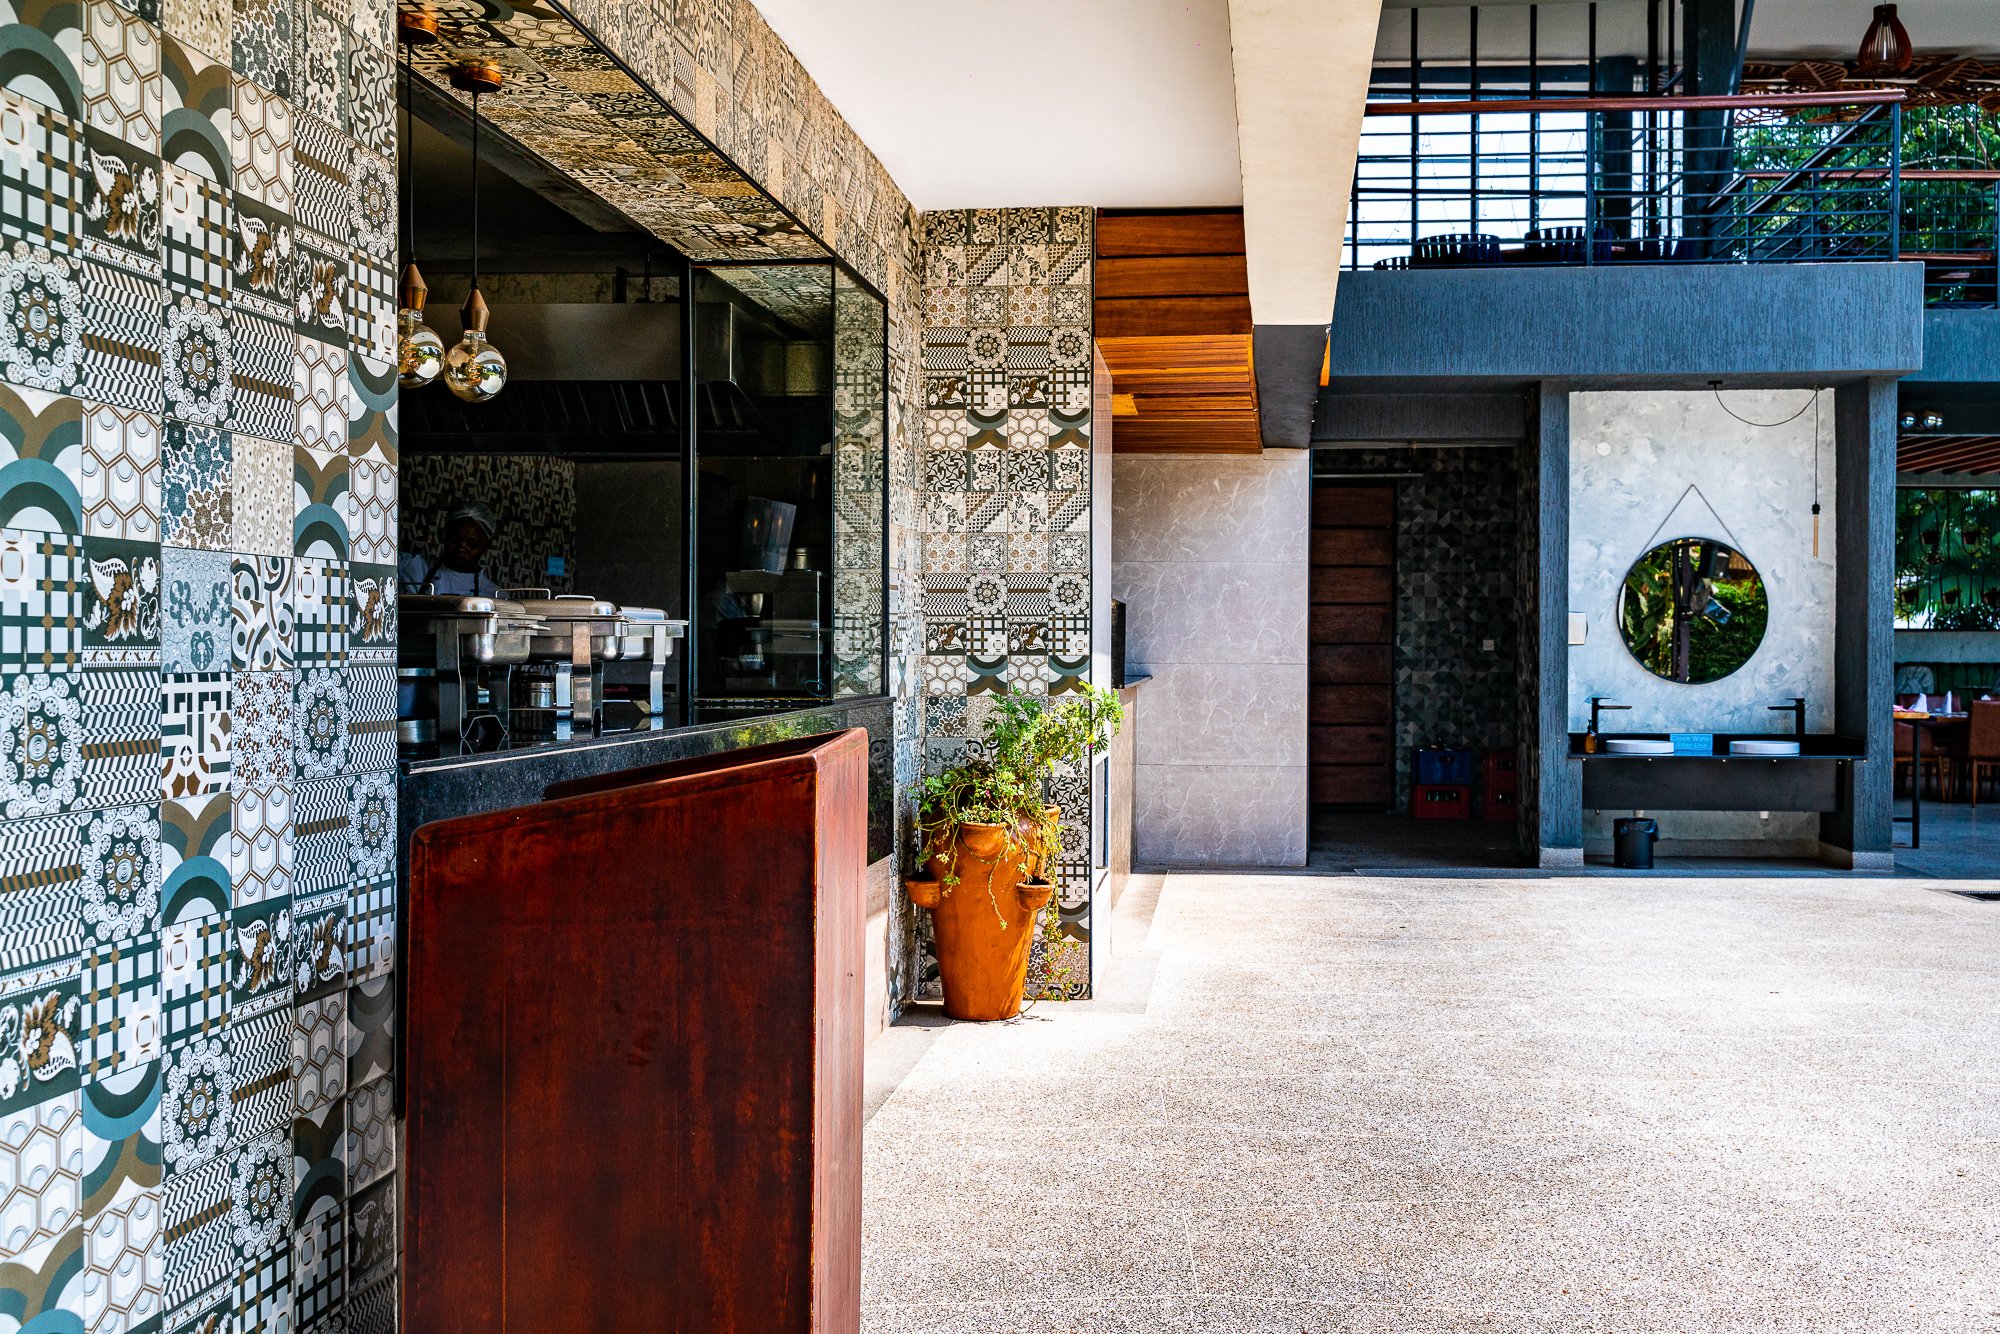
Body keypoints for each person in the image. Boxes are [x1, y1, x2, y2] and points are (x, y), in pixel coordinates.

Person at [400, 504, 501, 596]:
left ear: (485, 546)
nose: (461, 547)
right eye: (454, 539)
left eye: (472, 543)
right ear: (444, 537)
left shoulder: (494, 595)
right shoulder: (410, 566)